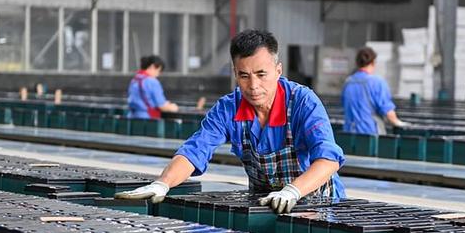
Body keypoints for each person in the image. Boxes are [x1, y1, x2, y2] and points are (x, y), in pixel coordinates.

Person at [116, 29, 345, 214]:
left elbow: (329, 159)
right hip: (265, 207)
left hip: (318, 205)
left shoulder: (303, 102)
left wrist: (293, 191)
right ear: (236, 74)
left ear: (278, 70)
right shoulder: (228, 108)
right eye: (244, 76)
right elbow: (196, 149)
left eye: (261, 74)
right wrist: (162, 183)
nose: (253, 85)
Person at [341, 47, 408, 135]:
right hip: (370, 135)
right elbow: (388, 113)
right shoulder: (376, 82)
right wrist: (401, 124)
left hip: (349, 133)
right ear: (373, 62)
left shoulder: (348, 82)